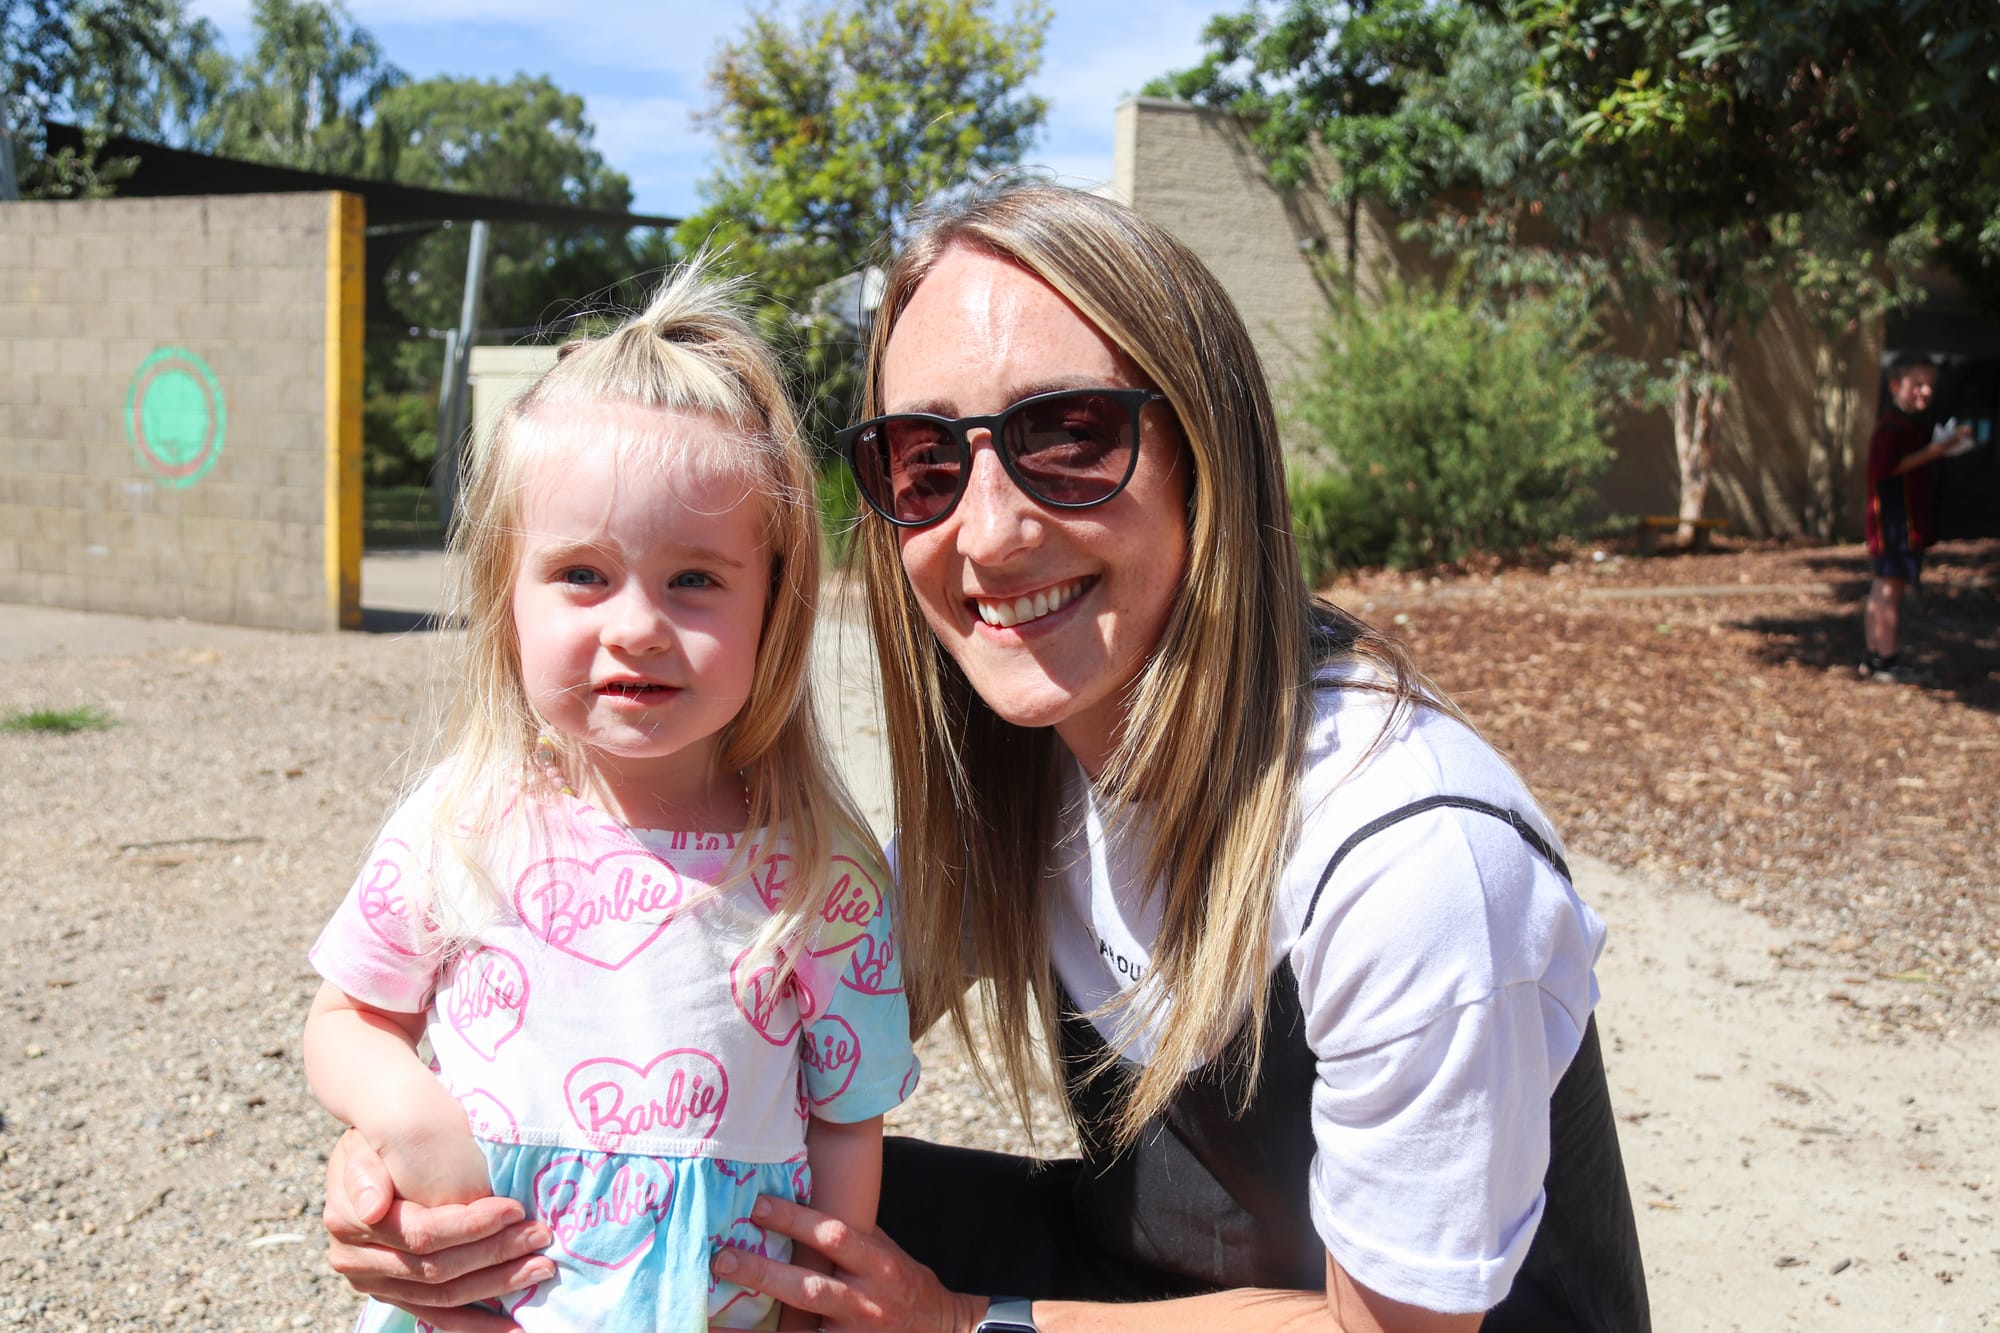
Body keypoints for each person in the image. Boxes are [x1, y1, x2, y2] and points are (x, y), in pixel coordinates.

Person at [318, 184, 1648, 1333]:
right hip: (1152, 1270)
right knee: (759, 1231)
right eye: (924, 458)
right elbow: (735, 1004)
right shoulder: (1040, 759)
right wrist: (440, 1179)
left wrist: (967, 1321)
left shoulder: (1410, 858)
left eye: (1071, 436)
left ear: (1212, 451)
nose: (992, 529)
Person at [302, 263, 918, 1331]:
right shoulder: (463, 823)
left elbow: (843, 1117)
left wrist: (822, 1307)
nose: (634, 625)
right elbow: (348, 1015)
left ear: (776, 605)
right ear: (506, 597)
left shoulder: (819, 869)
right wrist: (405, 1107)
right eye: (583, 573)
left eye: (694, 579)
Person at [1862, 353, 1969, 683]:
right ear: (1896, 386)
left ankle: (1876, 656)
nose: (1924, 392)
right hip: (1896, 525)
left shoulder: (1907, 425)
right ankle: (1886, 659)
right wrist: (1934, 452)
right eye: (1917, 385)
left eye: (1929, 387)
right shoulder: (1892, 427)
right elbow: (1886, 468)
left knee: (1883, 587)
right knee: (1890, 590)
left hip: (1897, 524)